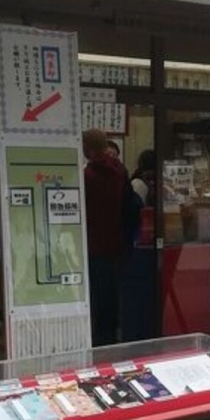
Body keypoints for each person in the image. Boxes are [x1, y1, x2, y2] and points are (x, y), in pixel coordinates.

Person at [82, 128, 125, 346]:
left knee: (96, 295)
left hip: (93, 244)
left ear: (87, 148)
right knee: (111, 294)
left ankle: (99, 341)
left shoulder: (87, 176)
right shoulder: (119, 170)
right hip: (116, 243)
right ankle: (110, 336)